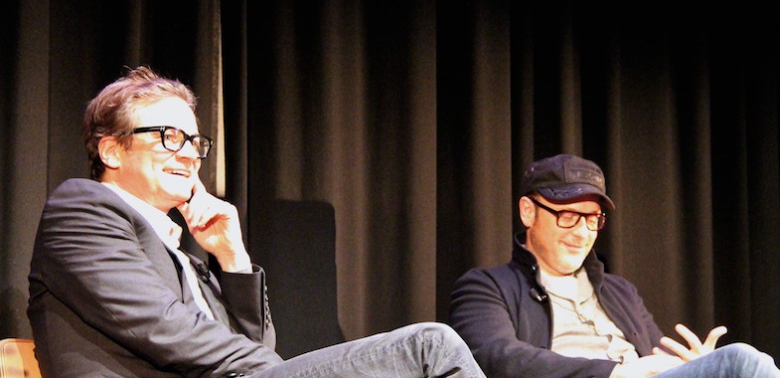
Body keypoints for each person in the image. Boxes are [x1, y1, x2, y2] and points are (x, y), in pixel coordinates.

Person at [27, 66, 485, 378]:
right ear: (111, 150)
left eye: (193, 141)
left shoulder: (182, 254)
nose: (188, 154)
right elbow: (163, 327)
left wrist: (233, 259)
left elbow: (251, 348)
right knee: (431, 347)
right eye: (168, 137)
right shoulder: (82, 209)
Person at [449, 153, 780, 378]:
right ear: (528, 212)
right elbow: (496, 357)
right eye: (568, 216)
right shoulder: (486, 286)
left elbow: (655, 362)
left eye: (593, 219)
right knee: (742, 360)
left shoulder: (620, 291)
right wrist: (614, 372)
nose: (583, 233)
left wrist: (694, 366)